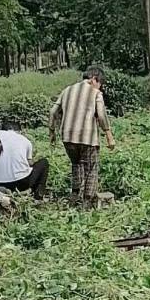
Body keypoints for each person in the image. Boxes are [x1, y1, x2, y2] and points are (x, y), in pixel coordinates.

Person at [49, 66, 115, 209]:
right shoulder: (95, 93)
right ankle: (86, 202)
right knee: (91, 168)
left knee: (76, 164)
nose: (100, 87)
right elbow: (102, 115)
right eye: (100, 84)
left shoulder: (67, 90)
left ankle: (74, 197)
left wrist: (52, 131)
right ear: (94, 79)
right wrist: (109, 134)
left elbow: (53, 111)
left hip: (67, 137)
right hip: (87, 137)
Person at [0, 125, 49, 201]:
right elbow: (30, 163)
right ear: (19, 131)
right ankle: (38, 194)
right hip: (22, 183)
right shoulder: (25, 141)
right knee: (44, 162)